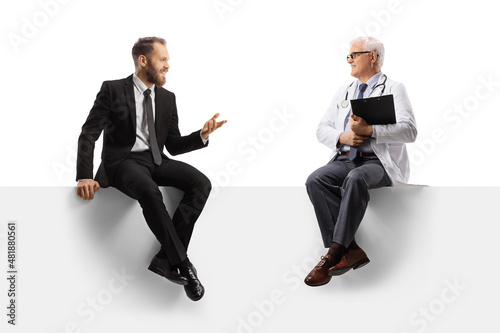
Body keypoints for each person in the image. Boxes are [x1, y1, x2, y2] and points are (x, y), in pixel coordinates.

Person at [76, 36, 227, 301]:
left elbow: (173, 145)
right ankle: (183, 264)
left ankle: (164, 259)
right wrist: (84, 175)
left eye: (168, 59)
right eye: (163, 59)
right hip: (122, 163)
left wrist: (201, 135)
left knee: (201, 183)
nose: (168, 65)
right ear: (143, 60)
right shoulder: (112, 90)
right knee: (148, 189)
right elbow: (89, 133)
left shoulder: (168, 98)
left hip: (156, 160)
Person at [304, 36, 417, 287]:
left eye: (354, 55)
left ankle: (332, 254)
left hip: (378, 163)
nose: (349, 60)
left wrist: (370, 131)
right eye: (349, 56)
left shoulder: (394, 88)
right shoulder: (344, 91)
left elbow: (410, 131)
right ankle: (350, 249)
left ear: (373, 56)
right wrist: (342, 136)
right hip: (345, 158)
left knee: (356, 178)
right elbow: (322, 128)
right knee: (316, 179)